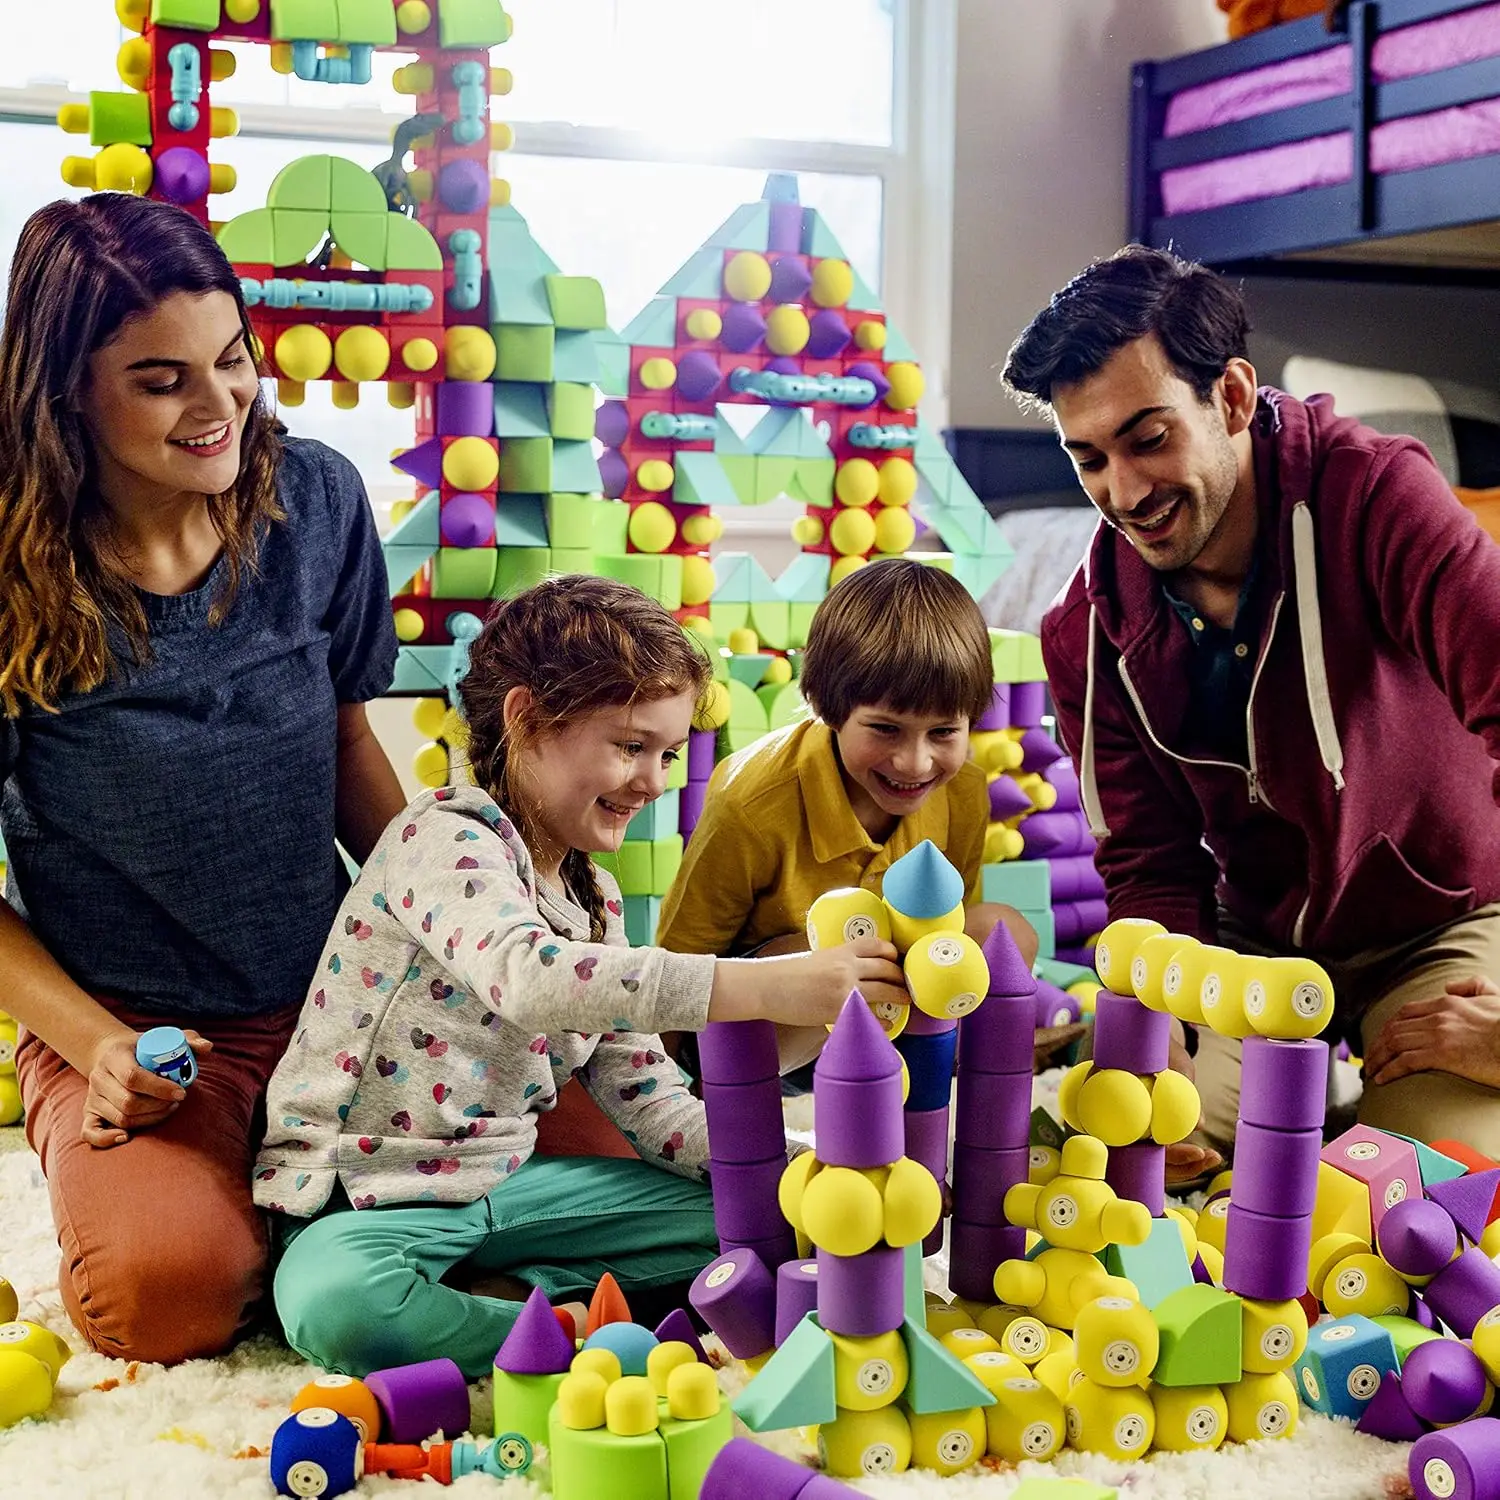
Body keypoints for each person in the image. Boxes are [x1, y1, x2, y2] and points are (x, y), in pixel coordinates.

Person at [256, 575, 904, 1378]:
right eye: (632, 746)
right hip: (369, 1196)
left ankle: (506, 1294)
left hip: (516, 1190)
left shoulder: (593, 898)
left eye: (667, 754)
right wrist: (764, 987)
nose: (655, 781)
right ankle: (554, 1335)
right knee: (338, 1304)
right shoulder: (443, 836)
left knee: (783, 1219)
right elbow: (529, 978)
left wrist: (798, 1162)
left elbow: (647, 1095)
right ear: (526, 718)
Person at [0, 194, 406, 1364]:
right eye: (162, 378)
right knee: (163, 1298)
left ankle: (311, 1206)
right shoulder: (16, 569)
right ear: (67, 389)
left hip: (345, 994)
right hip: (140, 1031)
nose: (221, 402)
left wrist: (468, 939)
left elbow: (347, 749)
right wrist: (94, 1051)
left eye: (233, 359)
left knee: (604, 1173)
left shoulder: (317, 500)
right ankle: (276, 1205)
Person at [1003, 243, 1500, 1157]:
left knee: (1420, 1184)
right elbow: (1150, 863)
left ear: (1230, 396)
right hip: (1254, 944)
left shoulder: (1379, 497)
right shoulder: (1086, 629)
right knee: (1127, 1151)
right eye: (1090, 459)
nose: (1124, 491)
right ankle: (1304, 1114)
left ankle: (1348, 1122)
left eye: (1148, 439)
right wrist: (1165, 1039)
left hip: (1447, 917)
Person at [657, 560, 1038, 1072]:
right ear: (828, 708)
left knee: (1000, 931)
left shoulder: (964, 790)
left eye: (944, 732)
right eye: (885, 729)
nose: (915, 762)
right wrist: (662, 1096)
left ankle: (954, 1087)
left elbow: (948, 931)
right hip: (764, 1035)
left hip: (894, 1026)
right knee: (844, 951)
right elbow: (681, 970)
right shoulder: (751, 800)